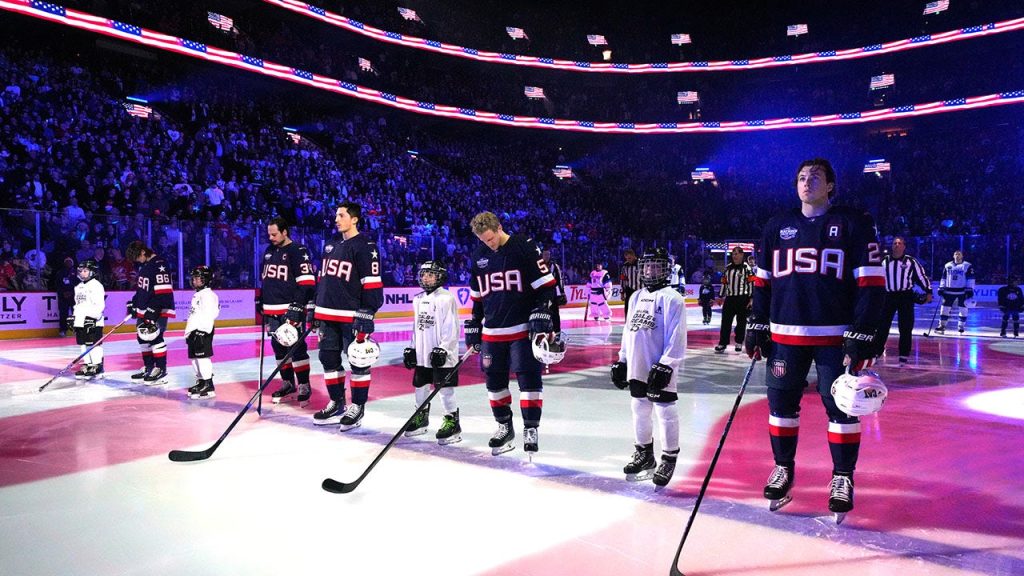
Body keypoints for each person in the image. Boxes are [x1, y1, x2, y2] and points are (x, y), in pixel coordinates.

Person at [744, 158, 884, 520]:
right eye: (802, 178)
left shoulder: (853, 223)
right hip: (785, 335)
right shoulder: (777, 226)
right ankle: (783, 468)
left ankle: (842, 476)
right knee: (781, 407)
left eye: (816, 177)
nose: (808, 183)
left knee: (841, 408)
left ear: (831, 185)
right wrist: (757, 322)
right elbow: (762, 281)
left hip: (835, 336)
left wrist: (864, 330)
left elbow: (870, 281)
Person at [466, 211, 557, 456]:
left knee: (528, 379)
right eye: (484, 241)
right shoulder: (478, 256)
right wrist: (475, 323)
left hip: (521, 330)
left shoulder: (523, 246)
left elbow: (547, 288)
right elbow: (477, 298)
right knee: (494, 382)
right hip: (491, 332)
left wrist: (542, 312)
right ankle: (504, 426)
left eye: (491, 239)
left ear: (499, 228)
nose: (489, 244)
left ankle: (530, 427)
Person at [612, 248, 687, 487]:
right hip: (637, 363)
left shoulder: (672, 298)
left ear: (665, 269)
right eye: (647, 266)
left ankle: (669, 457)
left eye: (656, 266)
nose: (650, 270)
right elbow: (628, 331)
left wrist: (667, 364)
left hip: (660, 364)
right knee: (639, 407)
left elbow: (677, 336)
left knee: (665, 409)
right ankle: (644, 453)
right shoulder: (635, 296)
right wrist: (622, 359)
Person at [311, 202, 383, 430]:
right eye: (336, 215)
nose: (336, 219)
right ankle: (336, 402)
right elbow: (322, 279)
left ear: (354, 219)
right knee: (328, 359)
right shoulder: (330, 245)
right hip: (326, 314)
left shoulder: (365, 246)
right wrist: (314, 307)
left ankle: (358, 406)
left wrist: (368, 311)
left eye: (341, 215)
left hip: (351, 316)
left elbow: (371, 282)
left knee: (358, 361)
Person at [402, 261, 462, 444]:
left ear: (440, 276)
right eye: (423, 274)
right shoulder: (418, 299)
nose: (425, 277)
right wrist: (412, 348)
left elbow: (451, 326)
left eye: (430, 274)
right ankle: (420, 417)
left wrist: (443, 348)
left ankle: (452, 422)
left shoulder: (446, 298)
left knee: (444, 388)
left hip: (442, 353)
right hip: (422, 352)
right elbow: (416, 326)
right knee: (420, 385)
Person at [260, 218, 316, 407]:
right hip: (272, 310)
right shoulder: (269, 251)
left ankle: (304, 384)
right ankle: (288, 382)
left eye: (274, 234)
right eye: (269, 234)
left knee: (296, 349)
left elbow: (307, 282)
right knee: (279, 349)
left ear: (285, 232)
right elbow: (266, 279)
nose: (271, 237)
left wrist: (297, 306)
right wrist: (262, 299)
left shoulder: (298, 251)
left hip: (290, 310)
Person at [126, 240, 175, 385]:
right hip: (144, 309)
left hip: (157, 309)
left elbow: (164, 291)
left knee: (154, 337)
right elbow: (143, 289)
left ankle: (161, 369)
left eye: (136, 256)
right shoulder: (146, 266)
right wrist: (134, 303)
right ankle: (149, 367)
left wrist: (153, 311)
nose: (136, 260)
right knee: (142, 337)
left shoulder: (159, 264)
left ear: (142, 252)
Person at [876, 237, 931, 365]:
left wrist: (928, 291)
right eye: (895, 243)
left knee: (905, 326)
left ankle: (903, 355)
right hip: (888, 296)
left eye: (899, 243)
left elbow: (921, 276)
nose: (897, 245)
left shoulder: (911, 261)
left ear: (904, 246)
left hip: (905, 296)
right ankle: (876, 352)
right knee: (882, 326)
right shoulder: (884, 261)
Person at [184, 266, 220, 399]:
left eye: (198, 278)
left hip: (202, 331)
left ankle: (208, 384)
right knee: (194, 358)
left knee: (203, 358)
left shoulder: (209, 295)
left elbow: (210, 314)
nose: (194, 281)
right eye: (193, 278)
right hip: (193, 331)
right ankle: (200, 381)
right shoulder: (198, 294)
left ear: (206, 280)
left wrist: (202, 331)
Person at [71, 259, 105, 380]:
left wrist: (92, 317)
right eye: (80, 271)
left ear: (92, 272)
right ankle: (88, 363)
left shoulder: (96, 285)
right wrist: (74, 317)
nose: (82, 273)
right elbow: (78, 304)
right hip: (80, 320)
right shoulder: (78, 287)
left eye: (85, 271)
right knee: (83, 344)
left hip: (93, 320)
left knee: (94, 344)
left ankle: (97, 365)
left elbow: (100, 305)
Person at [715, 247, 753, 353]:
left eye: (736, 254)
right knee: (725, 322)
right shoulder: (727, 268)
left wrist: (751, 298)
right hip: (730, 299)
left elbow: (751, 284)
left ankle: (739, 342)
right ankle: (722, 343)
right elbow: (724, 282)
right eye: (733, 254)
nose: (734, 256)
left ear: (742, 255)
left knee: (741, 322)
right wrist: (721, 296)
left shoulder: (747, 268)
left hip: (742, 299)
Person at [936, 250, 975, 334]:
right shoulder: (947, 265)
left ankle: (961, 326)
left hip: (962, 291)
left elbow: (971, 279)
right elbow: (943, 277)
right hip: (949, 291)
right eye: (956, 254)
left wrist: (970, 289)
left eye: (959, 254)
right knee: (944, 308)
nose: (957, 256)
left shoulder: (967, 265)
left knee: (963, 309)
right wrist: (941, 287)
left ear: (962, 256)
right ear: (953, 256)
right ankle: (942, 325)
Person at [542, 249, 567, 334]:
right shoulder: (538, 265)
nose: (547, 256)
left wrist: (562, 291)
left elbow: (560, 279)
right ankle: (543, 330)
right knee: (542, 312)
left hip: (552, 292)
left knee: (554, 312)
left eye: (548, 255)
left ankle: (557, 331)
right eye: (545, 254)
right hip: (540, 292)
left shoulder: (554, 266)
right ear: (542, 255)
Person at [55, 257, 77, 336]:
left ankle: (76, 329)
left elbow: (79, 284)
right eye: (67, 262)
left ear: (72, 263)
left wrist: (72, 292)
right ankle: (63, 330)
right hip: (63, 297)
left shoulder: (77, 273)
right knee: (63, 314)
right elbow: (57, 285)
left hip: (74, 296)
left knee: (76, 313)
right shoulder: (60, 273)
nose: (68, 263)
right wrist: (63, 292)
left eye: (70, 262)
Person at [620, 249, 640, 320]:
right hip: (629, 290)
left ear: (634, 256)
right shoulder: (625, 267)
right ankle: (627, 324)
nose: (628, 260)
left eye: (629, 258)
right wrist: (622, 293)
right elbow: (622, 280)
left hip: (640, 290)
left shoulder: (641, 264)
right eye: (627, 258)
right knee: (628, 308)